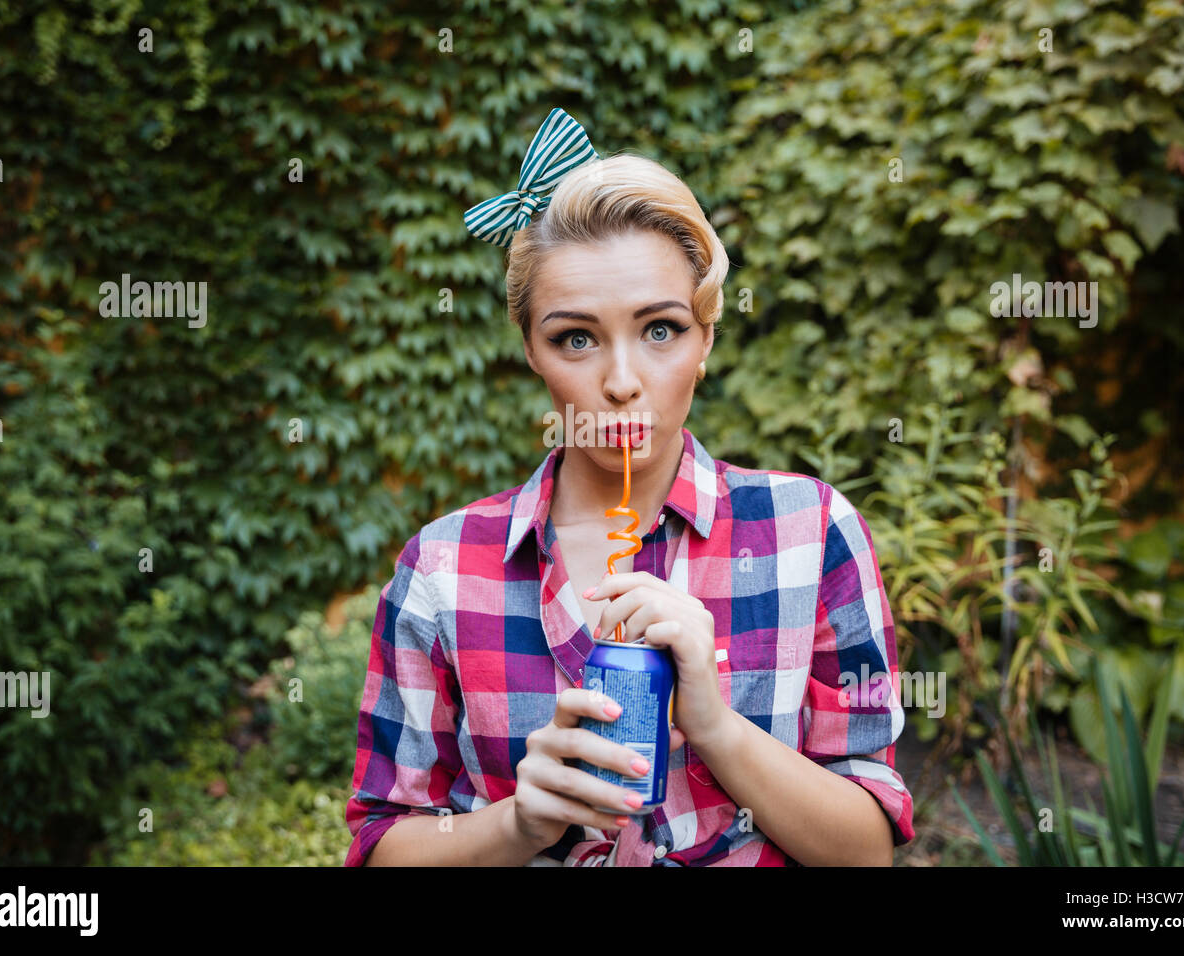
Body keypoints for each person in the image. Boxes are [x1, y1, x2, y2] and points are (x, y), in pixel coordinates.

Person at [346, 108, 914, 866]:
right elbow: (383, 844)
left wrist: (716, 727)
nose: (620, 382)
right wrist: (517, 823)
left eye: (661, 330)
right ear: (531, 351)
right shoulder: (444, 569)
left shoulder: (811, 531)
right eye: (575, 338)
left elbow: (868, 850)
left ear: (706, 337)